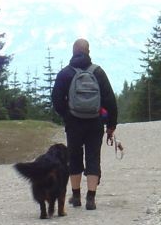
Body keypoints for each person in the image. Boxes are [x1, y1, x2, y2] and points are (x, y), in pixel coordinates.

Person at [52, 39, 118, 210]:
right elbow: (110, 100)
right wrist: (111, 125)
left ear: (73, 51)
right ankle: (91, 198)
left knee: (74, 157)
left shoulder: (65, 73)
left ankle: (76, 197)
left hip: (74, 122)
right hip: (95, 122)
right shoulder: (98, 72)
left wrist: (67, 115)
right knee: (93, 157)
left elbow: (57, 101)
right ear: (88, 51)